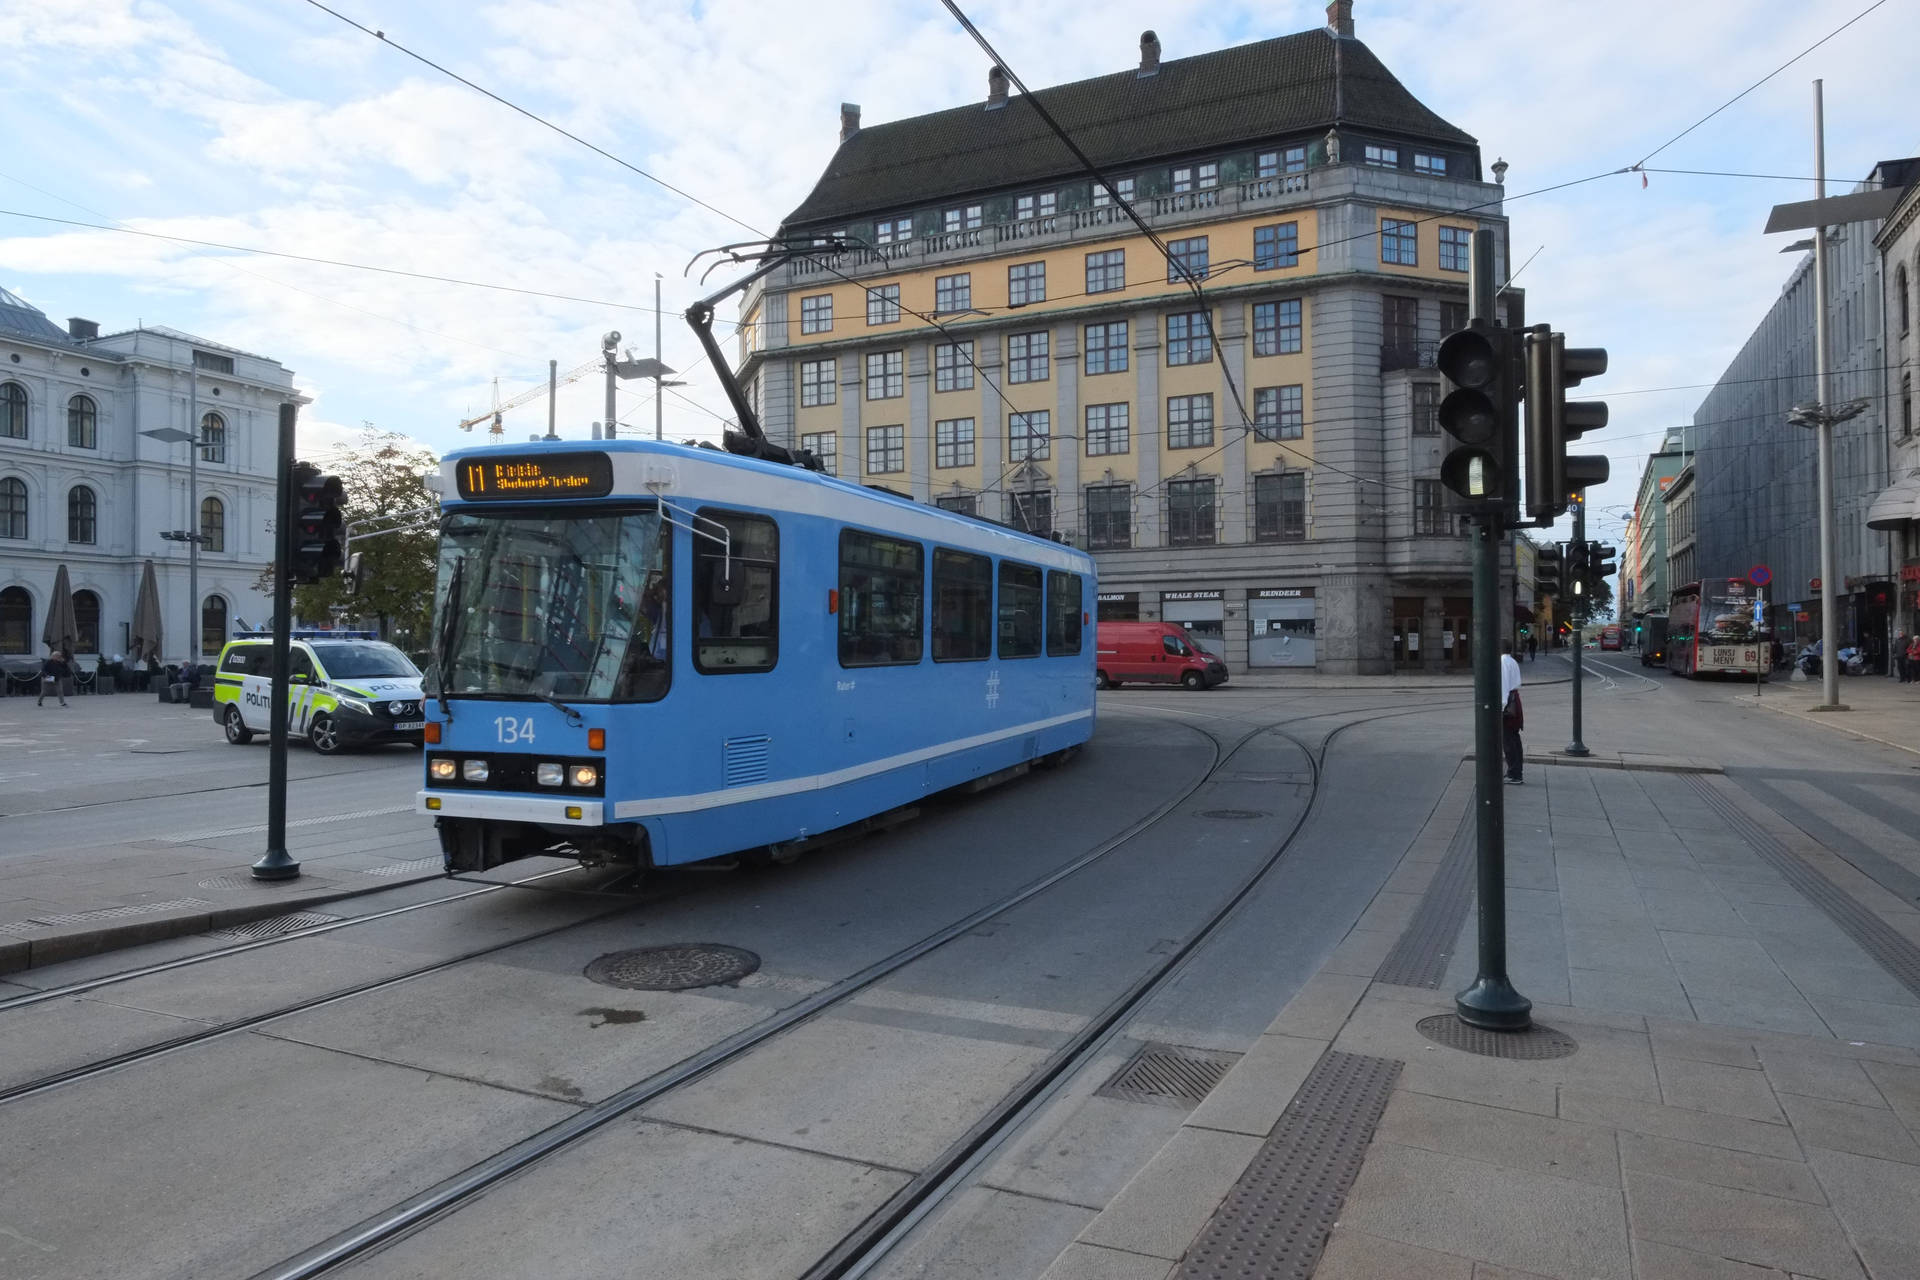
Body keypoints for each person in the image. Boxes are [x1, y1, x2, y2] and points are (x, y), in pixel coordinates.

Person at [1500, 639, 1524, 785]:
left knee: (1508, 739)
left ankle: (1514, 773)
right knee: (1514, 737)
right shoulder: (1512, 661)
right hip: (1515, 700)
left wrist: (1501, 707)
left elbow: (1503, 684)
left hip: (1509, 703)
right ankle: (1516, 771)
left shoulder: (1503, 662)